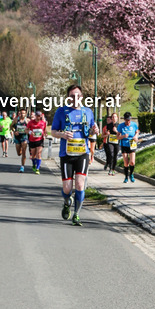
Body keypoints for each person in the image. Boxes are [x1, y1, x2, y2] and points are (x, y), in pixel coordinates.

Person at [51, 83, 98, 225]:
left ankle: (77, 214)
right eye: (72, 96)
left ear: (82, 97)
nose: (75, 98)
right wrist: (63, 135)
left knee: (79, 184)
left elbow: (90, 131)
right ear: (68, 98)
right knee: (67, 187)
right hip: (66, 154)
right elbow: (53, 132)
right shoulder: (61, 112)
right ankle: (67, 202)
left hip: (83, 153)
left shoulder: (88, 112)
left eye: (78, 95)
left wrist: (94, 131)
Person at [117, 111, 139, 183]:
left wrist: (136, 136)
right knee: (126, 162)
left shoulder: (134, 125)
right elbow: (117, 137)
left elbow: (137, 131)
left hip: (132, 143)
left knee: (132, 162)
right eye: (126, 120)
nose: (128, 122)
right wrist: (123, 136)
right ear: (124, 120)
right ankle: (126, 177)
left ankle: (131, 174)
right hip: (124, 144)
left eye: (129, 120)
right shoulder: (121, 126)